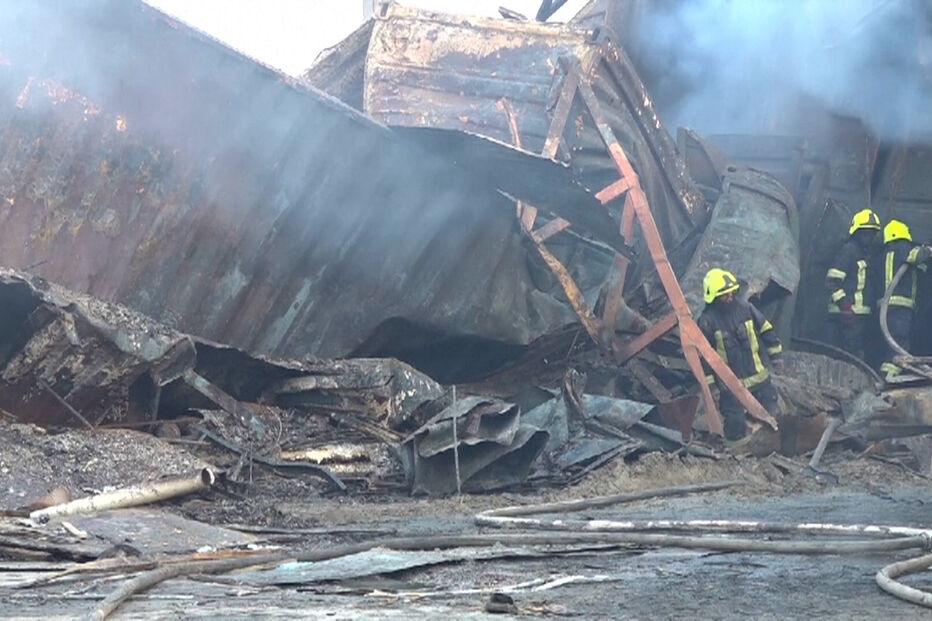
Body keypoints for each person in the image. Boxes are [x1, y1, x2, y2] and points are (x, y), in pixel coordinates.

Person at [698, 268, 783, 440]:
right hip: (731, 389)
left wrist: (776, 357)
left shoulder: (746, 308)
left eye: (731, 293)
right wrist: (712, 389)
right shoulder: (707, 321)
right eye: (724, 295)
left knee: (774, 421)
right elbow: (704, 359)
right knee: (735, 429)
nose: (730, 298)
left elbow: (766, 330)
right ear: (713, 297)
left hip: (760, 381)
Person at [874, 219, 931, 378]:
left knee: (891, 346)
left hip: (885, 309)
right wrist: (927, 249)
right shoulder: (902, 248)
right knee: (899, 345)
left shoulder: (881, 255)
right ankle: (888, 376)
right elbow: (916, 256)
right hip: (900, 308)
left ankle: (887, 374)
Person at [826, 208, 881, 360]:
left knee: (856, 356)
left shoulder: (868, 254)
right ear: (856, 231)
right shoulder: (848, 250)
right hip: (844, 315)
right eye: (865, 232)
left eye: (872, 232)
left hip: (860, 316)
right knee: (844, 357)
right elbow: (832, 280)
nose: (869, 236)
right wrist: (845, 306)